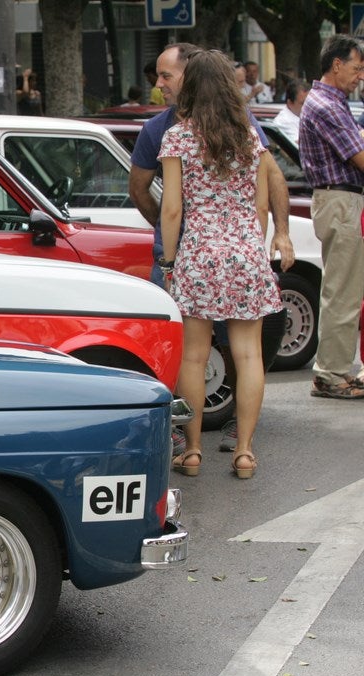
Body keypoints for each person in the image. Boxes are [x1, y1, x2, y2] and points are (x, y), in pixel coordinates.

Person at [128, 42, 295, 456]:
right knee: (248, 355)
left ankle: (194, 448)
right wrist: (255, 245)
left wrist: (168, 258)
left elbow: (171, 209)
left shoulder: (177, 138)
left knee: (194, 357)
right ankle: (245, 451)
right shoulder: (248, 138)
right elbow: (259, 206)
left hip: (198, 252)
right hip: (245, 252)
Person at [298, 33, 364, 399]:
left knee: (345, 289)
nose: (360, 76)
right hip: (341, 201)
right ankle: (331, 374)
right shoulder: (326, 105)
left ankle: (335, 370)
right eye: (357, 68)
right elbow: (360, 157)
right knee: (342, 292)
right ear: (336, 65)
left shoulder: (330, 102)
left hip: (340, 201)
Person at [272, 79, 308, 146]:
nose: (308, 107)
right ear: (290, 103)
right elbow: (299, 145)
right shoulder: (283, 121)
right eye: (303, 103)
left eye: (309, 103)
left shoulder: (304, 116)